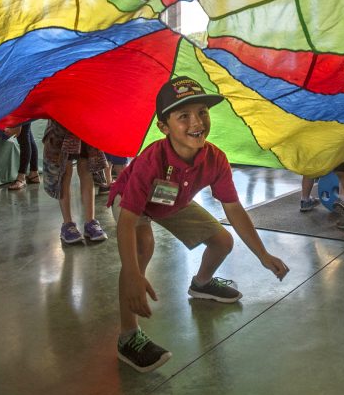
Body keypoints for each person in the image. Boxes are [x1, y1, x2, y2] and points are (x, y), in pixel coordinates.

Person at [107, 76, 290, 372]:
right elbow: (128, 221)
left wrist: (263, 254)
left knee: (223, 241)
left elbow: (234, 209)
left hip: (172, 201)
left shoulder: (215, 159)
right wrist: (131, 273)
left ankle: (202, 284)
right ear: (164, 127)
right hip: (132, 202)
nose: (197, 122)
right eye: (184, 116)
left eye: (202, 112)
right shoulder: (150, 161)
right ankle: (128, 337)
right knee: (142, 245)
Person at [42, 120, 109, 244]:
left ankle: (90, 222)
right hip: (61, 125)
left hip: (84, 123)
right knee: (64, 172)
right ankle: (67, 224)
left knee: (87, 169)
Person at [8, 121, 41, 190]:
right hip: (25, 111)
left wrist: (19, 125)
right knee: (27, 133)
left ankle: (21, 178)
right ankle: (34, 173)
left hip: (22, 112)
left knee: (23, 135)